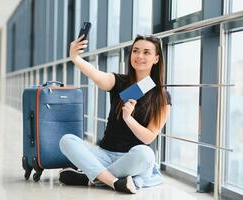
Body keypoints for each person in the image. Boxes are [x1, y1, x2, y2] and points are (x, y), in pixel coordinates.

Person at [58, 35, 171, 194]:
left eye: (146, 52)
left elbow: (148, 137)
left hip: (132, 158)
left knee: (146, 154)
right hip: (103, 154)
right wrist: (75, 57)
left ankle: (93, 177)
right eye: (136, 51)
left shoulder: (162, 96)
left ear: (156, 58)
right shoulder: (118, 81)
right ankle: (118, 182)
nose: (139, 56)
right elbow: (96, 75)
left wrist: (128, 119)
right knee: (66, 140)